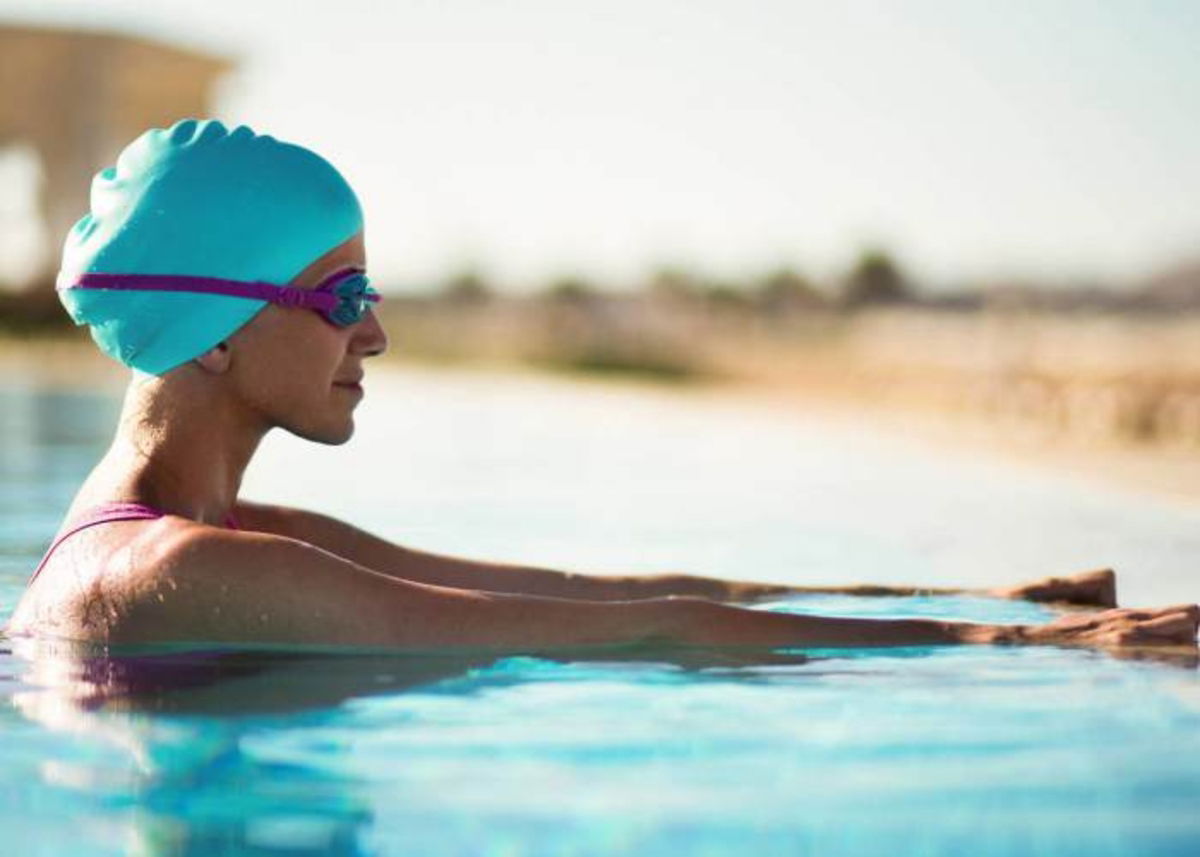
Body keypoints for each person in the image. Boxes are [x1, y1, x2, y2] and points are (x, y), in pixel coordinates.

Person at [5, 119, 1197, 657]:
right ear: (213, 331)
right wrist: (1040, 642)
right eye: (343, 296)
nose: (374, 333)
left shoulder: (212, 535)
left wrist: (987, 590)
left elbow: (587, 585)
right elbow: (627, 631)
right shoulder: (187, 568)